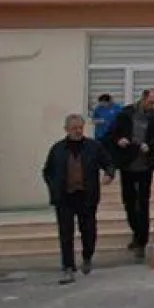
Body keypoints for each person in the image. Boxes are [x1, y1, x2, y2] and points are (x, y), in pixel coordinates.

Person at [43, 113, 115, 284]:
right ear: (66, 129)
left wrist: (109, 174)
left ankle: (87, 256)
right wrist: (54, 188)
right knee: (65, 233)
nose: (78, 131)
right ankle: (68, 266)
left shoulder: (93, 147)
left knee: (88, 230)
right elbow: (47, 171)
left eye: (80, 128)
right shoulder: (58, 149)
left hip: (86, 196)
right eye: (74, 128)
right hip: (65, 197)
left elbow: (108, 163)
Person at [108, 89, 154, 261]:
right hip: (127, 164)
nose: (152, 105)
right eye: (150, 102)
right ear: (142, 98)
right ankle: (136, 232)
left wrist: (150, 146)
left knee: (142, 203)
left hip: (145, 166)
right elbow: (112, 133)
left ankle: (142, 241)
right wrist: (119, 140)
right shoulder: (126, 114)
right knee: (129, 202)